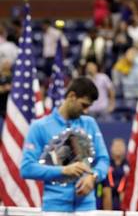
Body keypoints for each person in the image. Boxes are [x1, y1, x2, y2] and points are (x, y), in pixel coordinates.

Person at [20, 77, 110, 212]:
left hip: (87, 206)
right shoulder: (39, 127)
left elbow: (103, 159)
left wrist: (93, 176)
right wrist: (63, 170)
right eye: (84, 105)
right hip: (54, 206)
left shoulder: (90, 123)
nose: (86, 111)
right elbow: (27, 168)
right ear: (72, 96)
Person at [101, 138, 129, 210]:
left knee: (125, 193)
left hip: (123, 190)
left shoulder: (129, 165)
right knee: (106, 191)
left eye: (120, 146)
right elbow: (103, 180)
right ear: (111, 148)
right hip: (108, 189)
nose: (118, 148)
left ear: (125, 149)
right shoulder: (106, 164)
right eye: (116, 146)